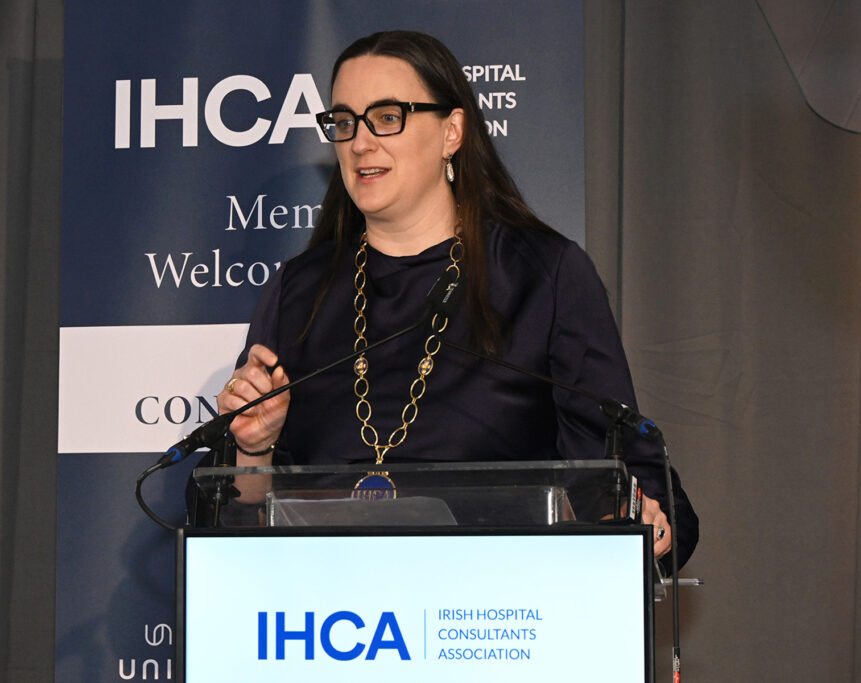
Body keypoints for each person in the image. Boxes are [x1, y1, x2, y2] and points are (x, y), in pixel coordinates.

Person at [210, 30, 698, 567]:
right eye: (345, 122)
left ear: (452, 131)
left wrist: (631, 519)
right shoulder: (299, 290)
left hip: (499, 602)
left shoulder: (542, 276)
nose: (361, 143)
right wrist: (254, 449)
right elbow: (229, 518)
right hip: (324, 602)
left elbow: (626, 479)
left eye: (387, 117)